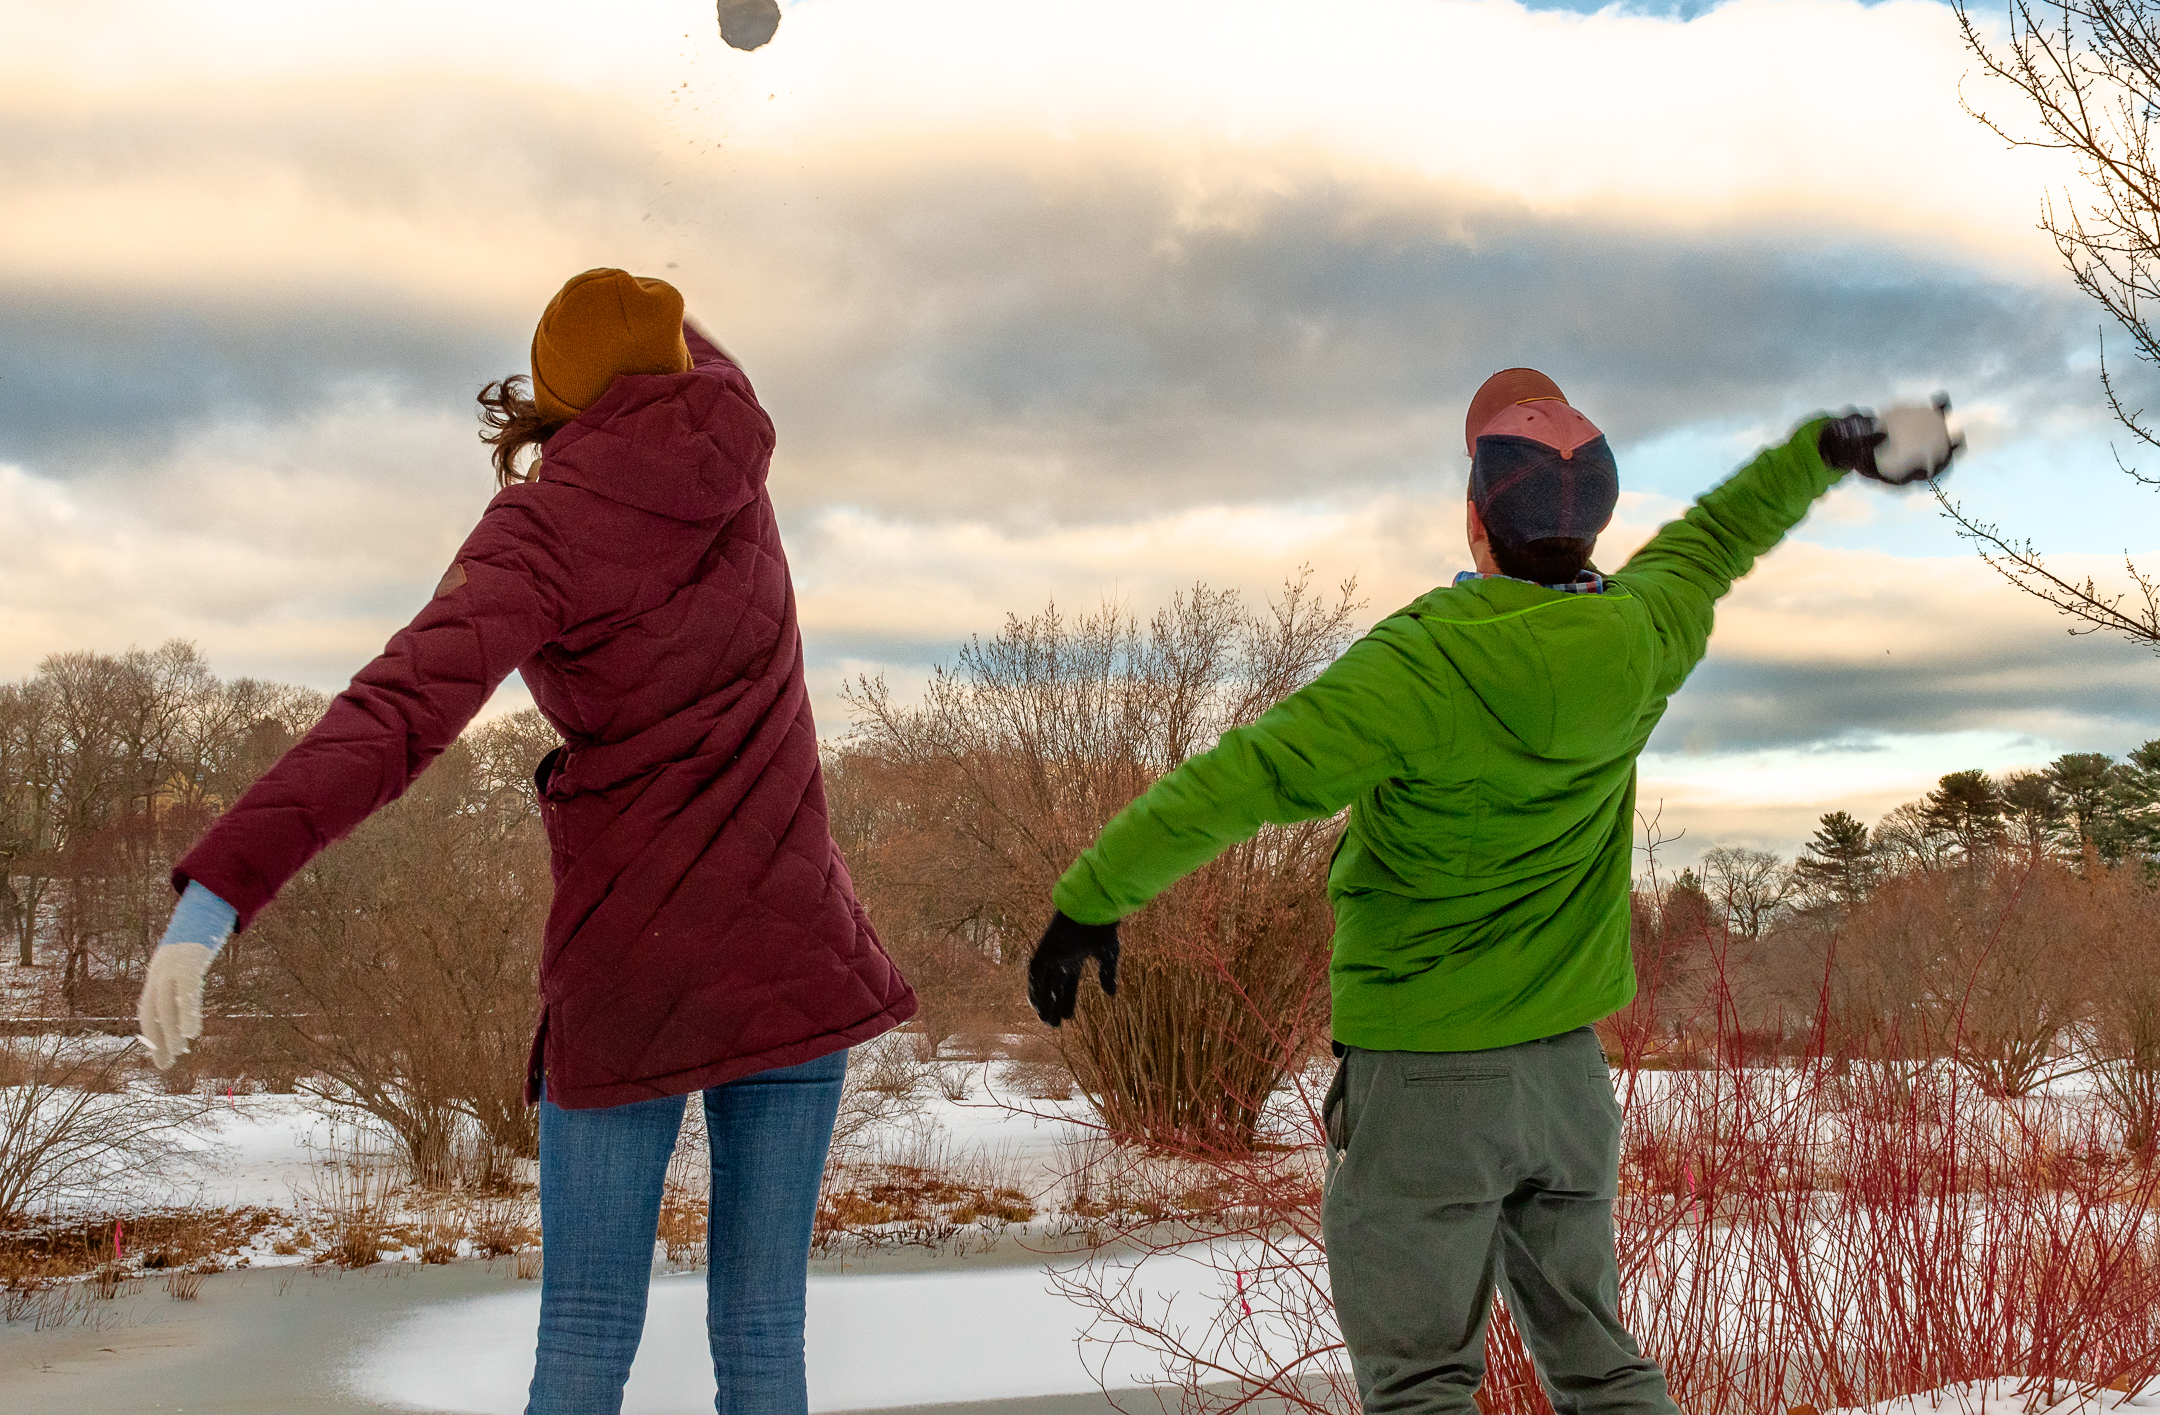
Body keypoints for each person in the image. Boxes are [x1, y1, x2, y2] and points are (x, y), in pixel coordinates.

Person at [1024, 368, 1956, 1415]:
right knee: (1602, 1370)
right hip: (1565, 1083)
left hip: (1425, 1080)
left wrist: (1094, 897)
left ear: (1475, 520)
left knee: (1421, 1385)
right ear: (1599, 528)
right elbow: (1717, 537)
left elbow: (1243, 779)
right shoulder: (1642, 637)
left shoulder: (1418, 664)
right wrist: (1825, 451)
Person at [134, 268, 917, 1415]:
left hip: (632, 971)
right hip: (796, 962)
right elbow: (682, 347)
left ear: (556, 392)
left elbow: (394, 714)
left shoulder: (541, 531)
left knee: (588, 1332)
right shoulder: (736, 466)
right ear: (679, 366)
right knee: (764, 1336)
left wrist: (213, 900)